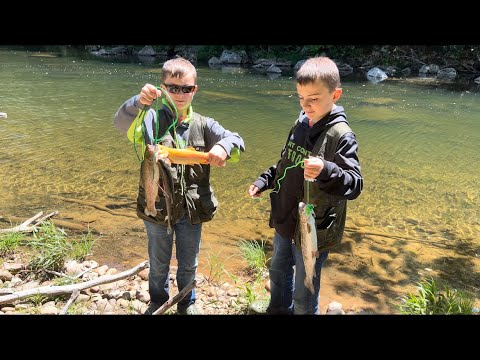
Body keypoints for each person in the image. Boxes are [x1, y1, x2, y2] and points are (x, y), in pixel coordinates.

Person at [113, 57, 245, 315]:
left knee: (188, 264)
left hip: (192, 212)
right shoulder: (150, 119)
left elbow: (237, 141)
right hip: (157, 210)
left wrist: (223, 147)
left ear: (194, 89)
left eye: (186, 88)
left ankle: (187, 302)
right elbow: (120, 123)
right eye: (173, 88)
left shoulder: (206, 125)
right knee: (159, 263)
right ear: (163, 89)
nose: (180, 94)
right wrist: (137, 102)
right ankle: (158, 301)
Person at [247, 56, 363, 315]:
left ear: (336, 95)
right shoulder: (299, 124)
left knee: (305, 285)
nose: (306, 105)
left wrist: (326, 169)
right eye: (301, 98)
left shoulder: (342, 135)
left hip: (313, 228)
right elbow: (285, 163)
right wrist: (264, 180)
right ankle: (277, 309)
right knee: (277, 270)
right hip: (285, 217)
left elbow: (354, 184)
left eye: (314, 98)